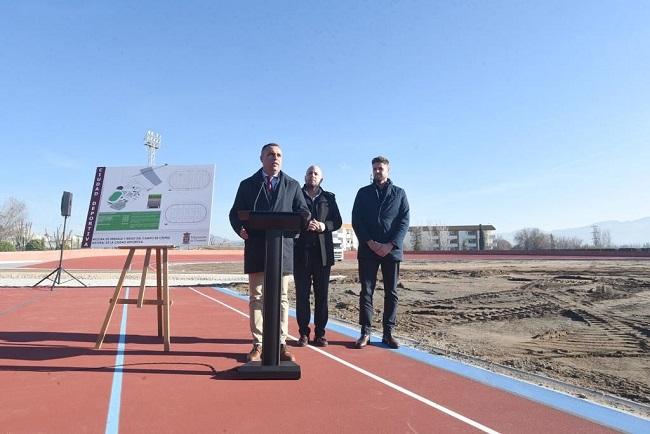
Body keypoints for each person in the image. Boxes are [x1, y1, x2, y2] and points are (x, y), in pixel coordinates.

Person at [229, 143, 310, 362]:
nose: (275, 158)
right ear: (261, 158)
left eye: (279, 155)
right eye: (270, 154)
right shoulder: (247, 185)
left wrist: (298, 226)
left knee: (282, 298)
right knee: (257, 297)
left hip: (281, 250)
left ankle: (281, 343)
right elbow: (235, 214)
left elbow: (303, 212)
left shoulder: (292, 185)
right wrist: (240, 229)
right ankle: (258, 344)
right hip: (256, 247)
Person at [351, 156, 410, 349]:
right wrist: (369, 242)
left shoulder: (399, 194)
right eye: (375, 168)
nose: (377, 171)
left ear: (388, 170)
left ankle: (388, 333)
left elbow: (404, 221)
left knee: (391, 292)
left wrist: (390, 244)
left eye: (381, 168)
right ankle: (365, 332)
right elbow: (357, 220)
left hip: (391, 251)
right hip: (368, 251)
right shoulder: (363, 193)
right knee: (366, 292)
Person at [293, 165, 342, 347]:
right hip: (301, 252)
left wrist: (323, 226)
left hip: (322, 254)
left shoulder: (329, 198)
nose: (312, 175)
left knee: (322, 296)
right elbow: (290, 218)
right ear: (304, 177)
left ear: (321, 178)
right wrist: (304, 224)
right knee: (302, 295)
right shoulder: (296, 195)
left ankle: (320, 333)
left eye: (315, 173)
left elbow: (336, 221)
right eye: (309, 173)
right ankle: (303, 333)